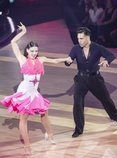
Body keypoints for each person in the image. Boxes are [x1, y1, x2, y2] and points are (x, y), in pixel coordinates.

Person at [0, 23, 71, 155]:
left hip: (34, 93)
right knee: (23, 119)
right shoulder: (22, 59)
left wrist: (66, 59)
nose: (34, 53)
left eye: (36, 51)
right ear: (27, 51)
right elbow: (13, 42)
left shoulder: (41, 59)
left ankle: (50, 135)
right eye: (32, 51)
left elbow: (55, 61)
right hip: (24, 93)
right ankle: (27, 146)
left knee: (44, 114)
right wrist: (24, 32)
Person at [65, 27, 117, 138]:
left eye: (82, 38)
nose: (79, 41)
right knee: (77, 103)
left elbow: (111, 55)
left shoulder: (97, 47)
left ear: (88, 37)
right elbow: (69, 59)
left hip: (95, 79)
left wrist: (106, 61)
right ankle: (78, 129)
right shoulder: (75, 48)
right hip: (81, 79)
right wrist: (68, 61)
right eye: (78, 38)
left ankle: (116, 117)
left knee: (106, 99)